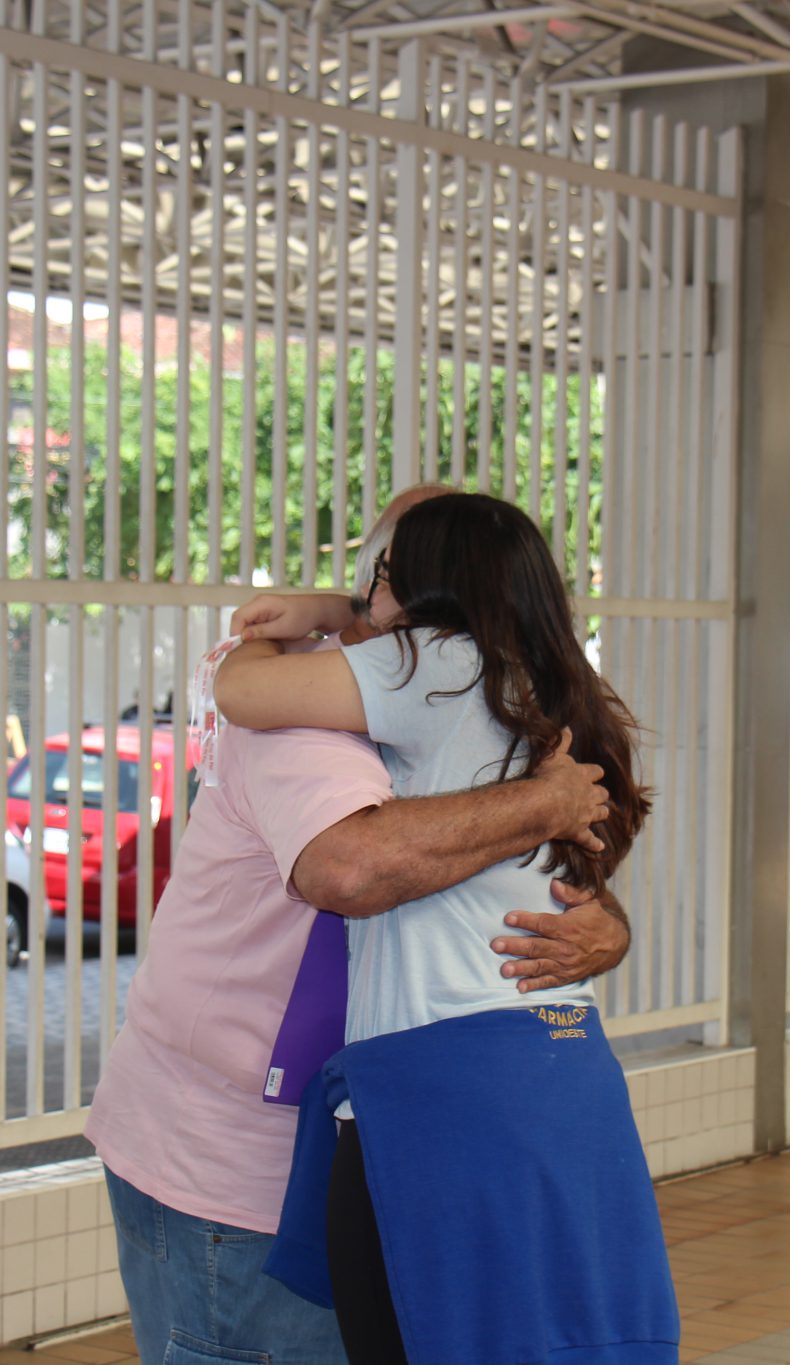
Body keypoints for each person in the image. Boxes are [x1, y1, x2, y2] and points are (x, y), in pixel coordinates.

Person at [85, 485, 635, 1365]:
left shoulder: (453, 684)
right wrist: (542, 804)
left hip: (407, 1126)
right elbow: (352, 868)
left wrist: (608, 924)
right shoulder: (339, 712)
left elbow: (533, 874)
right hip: (245, 1167)